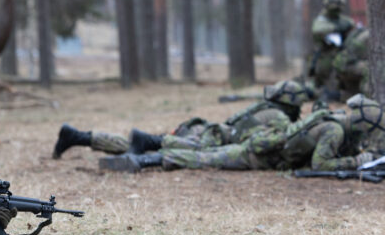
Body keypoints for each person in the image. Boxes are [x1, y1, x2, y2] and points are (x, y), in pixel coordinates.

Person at [102, 95, 385, 173]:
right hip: (261, 154)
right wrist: (358, 162)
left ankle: (149, 149)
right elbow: (320, 164)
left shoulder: (335, 118)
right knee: (205, 158)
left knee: (206, 153)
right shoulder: (335, 129)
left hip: (264, 147)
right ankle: (146, 160)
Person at [52, 79, 315, 159]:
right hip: (209, 141)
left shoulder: (263, 108)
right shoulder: (279, 117)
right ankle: (150, 140)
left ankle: (79, 137)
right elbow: (274, 141)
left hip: (204, 131)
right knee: (150, 145)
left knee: (138, 146)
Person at [309, 0, 356, 96]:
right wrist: (336, 28)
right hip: (324, 56)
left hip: (341, 54)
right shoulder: (321, 19)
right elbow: (317, 30)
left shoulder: (343, 20)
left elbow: (352, 25)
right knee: (320, 82)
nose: (337, 10)